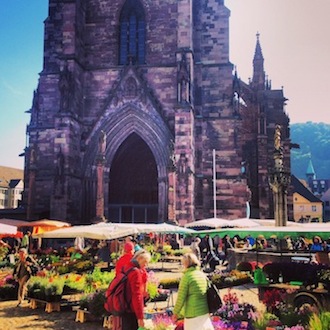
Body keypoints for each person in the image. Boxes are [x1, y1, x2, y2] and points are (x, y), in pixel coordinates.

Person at [112, 249, 151, 330]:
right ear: (139, 259)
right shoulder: (135, 272)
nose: (146, 265)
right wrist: (140, 317)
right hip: (131, 309)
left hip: (123, 304)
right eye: (145, 262)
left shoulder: (126, 267)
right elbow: (137, 295)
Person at [173, 253, 214, 330]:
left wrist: (175, 313)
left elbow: (181, 297)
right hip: (204, 311)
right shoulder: (202, 275)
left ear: (185, 263)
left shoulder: (187, 277)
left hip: (192, 313)